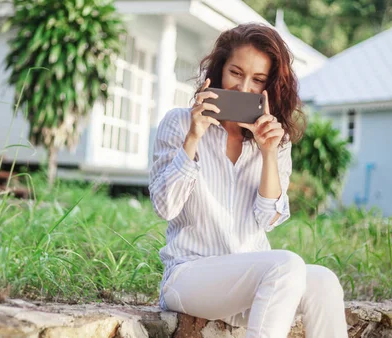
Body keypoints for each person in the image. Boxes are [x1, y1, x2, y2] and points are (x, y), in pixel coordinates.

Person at [149, 23, 348, 338]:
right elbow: (165, 206)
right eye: (236, 73)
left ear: (271, 87)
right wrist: (194, 138)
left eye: (257, 80)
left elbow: (268, 219)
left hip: (252, 283)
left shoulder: (275, 141)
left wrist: (268, 154)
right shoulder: (179, 123)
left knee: (323, 281)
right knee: (286, 264)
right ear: (218, 72)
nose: (244, 88)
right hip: (189, 278)